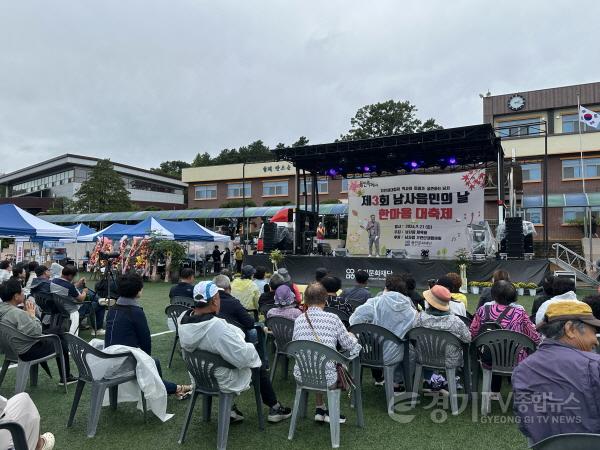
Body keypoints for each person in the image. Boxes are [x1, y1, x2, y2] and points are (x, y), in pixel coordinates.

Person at [178, 281, 292, 423]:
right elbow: (244, 357)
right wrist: (246, 343)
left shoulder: (182, 319)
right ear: (215, 300)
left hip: (199, 374)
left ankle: (231, 408)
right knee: (258, 365)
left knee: (224, 355)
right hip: (221, 378)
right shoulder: (216, 327)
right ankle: (275, 407)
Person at [512, 301, 600, 445]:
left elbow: (526, 426)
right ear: (570, 329)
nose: (596, 340)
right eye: (593, 332)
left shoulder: (521, 370)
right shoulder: (594, 364)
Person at [104, 272, 192, 400]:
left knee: (151, 363)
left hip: (108, 357)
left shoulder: (113, 309)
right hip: (122, 361)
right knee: (153, 363)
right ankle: (176, 389)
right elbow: (146, 342)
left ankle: (175, 389)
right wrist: (146, 361)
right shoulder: (135, 312)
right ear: (138, 290)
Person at [292, 282, 361, 423]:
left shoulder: (298, 320)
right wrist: (354, 337)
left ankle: (320, 407)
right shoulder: (332, 319)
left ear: (306, 299)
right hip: (328, 377)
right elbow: (350, 346)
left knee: (318, 359)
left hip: (302, 374)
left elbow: (295, 346)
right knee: (328, 362)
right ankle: (330, 412)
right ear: (325, 299)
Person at [469, 281, 541, 397]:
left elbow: (472, 333)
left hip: (489, 356)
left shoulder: (483, 310)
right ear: (514, 296)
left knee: (495, 347)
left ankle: (494, 392)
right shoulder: (520, 312)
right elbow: (534, 336)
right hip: (515, 357)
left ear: (493, 295)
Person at [0, 279, 76, 385]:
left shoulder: (3, 309)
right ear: (16, 296)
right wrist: (31, 315)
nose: (23, 293)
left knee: (57, 331)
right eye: (21, 291)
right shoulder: (17, 313)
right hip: (26, 351)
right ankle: (66, 377)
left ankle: (66, 376)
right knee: (61, 341)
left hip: (10, 349)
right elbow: (36, 333)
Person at [350, 274, 416, 389]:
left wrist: (366, 335)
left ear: (386, 287)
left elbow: (355, 320)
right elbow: (414, 331)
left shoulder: (376, 302)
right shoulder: (410, 309)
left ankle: (394, 381)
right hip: (398, 354)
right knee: (410, 350)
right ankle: (398, 382)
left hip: (371, 353)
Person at [414, 284, 471, 369]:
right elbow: (468, 339)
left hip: (423, 357)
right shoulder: (456, 322)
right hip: (450, 361)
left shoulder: (419, 318)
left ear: (429, 302)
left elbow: (413, 336)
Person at [51, 265, 105, 336]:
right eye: (73, 276)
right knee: (100, 306)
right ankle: (97, 329)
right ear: (70, 276)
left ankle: (100, 300)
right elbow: (81, 299)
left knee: (91, 295)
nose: (73, 278)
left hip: (61, 306)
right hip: (74, 308)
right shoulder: (69, 286)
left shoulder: (54, 281)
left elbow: (68, 289)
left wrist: (79, 283)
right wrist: (84, 292)